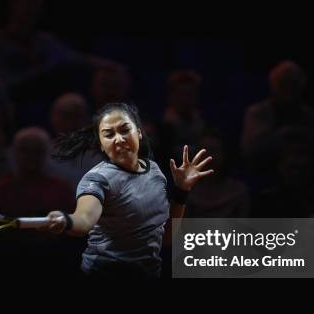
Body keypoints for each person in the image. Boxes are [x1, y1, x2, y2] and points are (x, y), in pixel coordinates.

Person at [42, 103, 213, 278]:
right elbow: (84, 220)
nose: (119, 139)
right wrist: (66, 220)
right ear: (101, 145)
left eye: (125, 130)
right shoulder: (97, 179)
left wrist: (181, 191)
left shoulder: (154, 171)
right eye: (109, 134)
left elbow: (166, 238)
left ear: (138, 133)